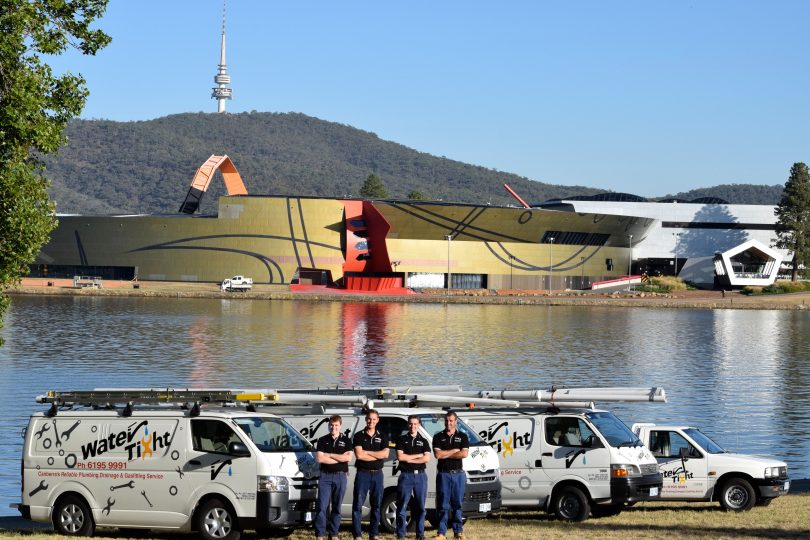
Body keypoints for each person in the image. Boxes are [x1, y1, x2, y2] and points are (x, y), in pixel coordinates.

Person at [351, 409, 390, 540]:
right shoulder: (358, 436)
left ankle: (374, 534)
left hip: (378, 475)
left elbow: (385, 455)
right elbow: (359, 455)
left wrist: (367, 453)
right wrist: (376, 455)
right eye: (369, 419)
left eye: (374, 419)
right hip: (363, 474)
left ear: (377, 420)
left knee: (377, 505)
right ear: (365, 419)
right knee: (357, 505)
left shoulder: (383, 436)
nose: (371, 421)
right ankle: (357, 534)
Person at [315, 415, 353, 540]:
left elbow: (347, 458)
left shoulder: (347, 441)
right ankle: (320, 534)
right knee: (322, 507)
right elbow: (320, 458)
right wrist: (339, 458)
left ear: (340, 426)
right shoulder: (322, 440)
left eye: (336, 425)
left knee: (337, 507)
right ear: (329, 425)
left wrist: (329, 455)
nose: (333, 427)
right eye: (331, 425)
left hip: (340, 477)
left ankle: (334, 534)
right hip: (325, 477)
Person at [432, 411, 468, 540]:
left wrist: (445, 453)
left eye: (451, 421)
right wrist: (454, 451)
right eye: (447, 421)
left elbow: (464, 454)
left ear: (455, 421)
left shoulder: (463, 436)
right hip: (443, 475)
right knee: (443, 504)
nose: (448, 423)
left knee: (457, 504)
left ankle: (458, 531)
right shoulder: (438, 437)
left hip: (458, 475)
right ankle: (441, 533)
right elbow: (438, 455)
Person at [395, 414, 431, 540]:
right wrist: (418, 456)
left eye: (415, 424)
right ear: (408, 424)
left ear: (419, 425)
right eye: (410, 423)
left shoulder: (424, 441)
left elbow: (427, 458)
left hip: (421, 477)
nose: (413, 426)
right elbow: (401, 457)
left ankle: (420, 535)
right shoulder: (401, 440)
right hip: (406, 476)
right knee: (402, 506)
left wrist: (410, 459)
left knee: (421, 507)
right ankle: (400, 534)